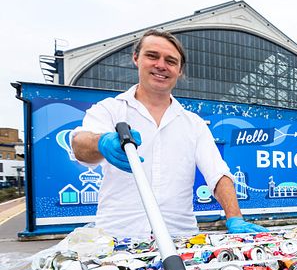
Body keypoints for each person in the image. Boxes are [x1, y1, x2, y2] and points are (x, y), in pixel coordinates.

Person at [72, 29, 265, 237]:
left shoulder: (193, 124)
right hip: (117, 237)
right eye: (152, 56)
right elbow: (80, 145)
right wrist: (101, 142)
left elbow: (217, 173)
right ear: (136, 58)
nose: (161, 66)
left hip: (180, 239)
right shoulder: (110, 110)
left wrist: (234, 217)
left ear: (179, 70)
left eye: (171, 61)